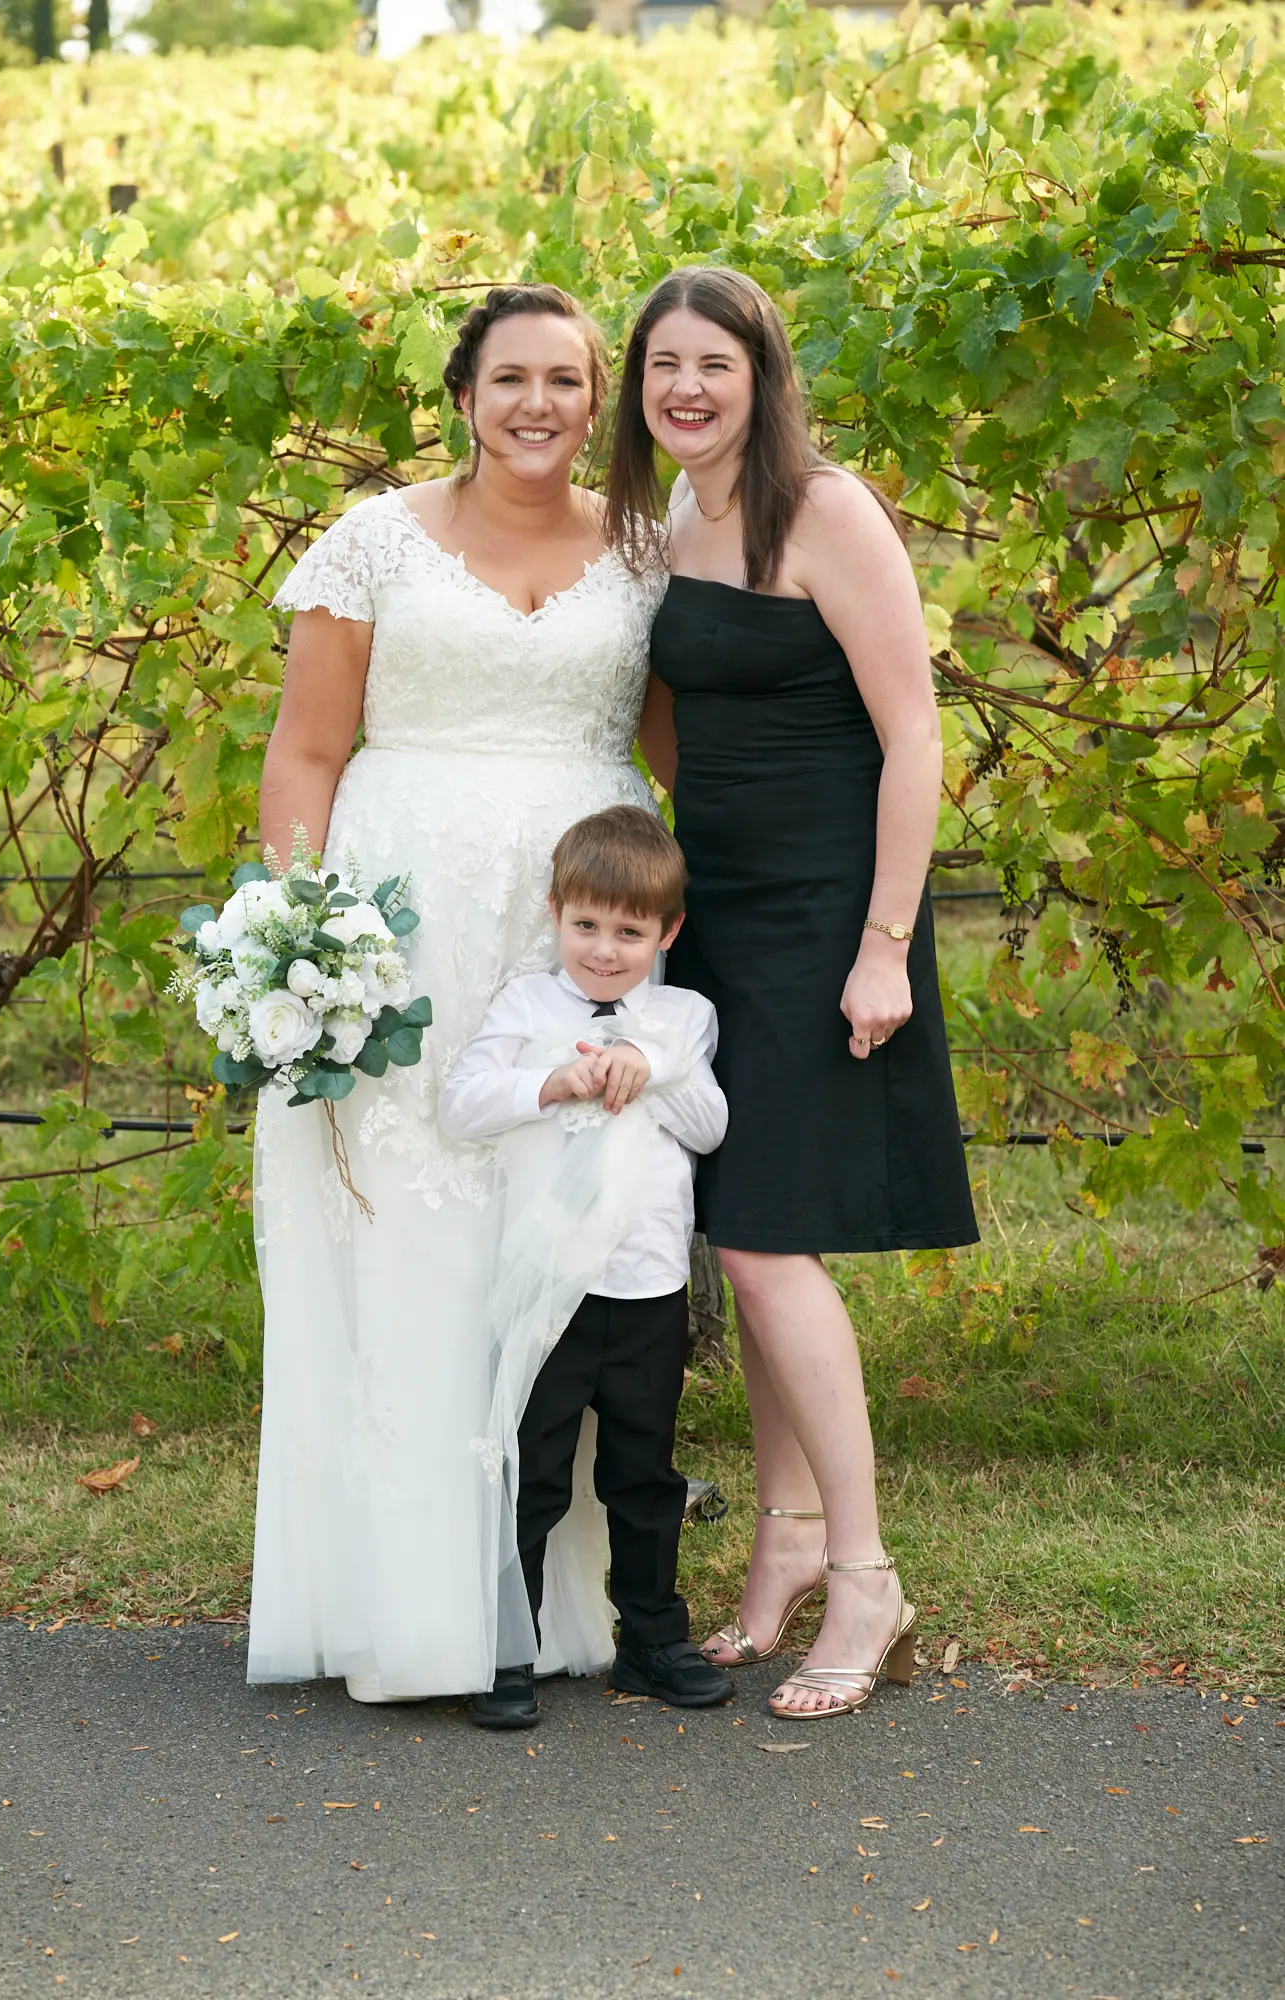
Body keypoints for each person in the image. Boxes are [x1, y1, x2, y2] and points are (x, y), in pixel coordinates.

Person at [247, 286, 667, 1702]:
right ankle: (409, 1605)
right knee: (413, 1241)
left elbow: (681, 745)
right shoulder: (373, 543)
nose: (537, 404)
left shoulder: (647, 549)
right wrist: (307, 938)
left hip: (579, 927)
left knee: (564, 1232)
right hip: (405, 926)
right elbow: (306, 756)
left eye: (565, 379)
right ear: (464, 392)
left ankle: (555, 1602)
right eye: (510, 379)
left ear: (594, 396)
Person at [607, 266, 979, 1721]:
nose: (684, 387)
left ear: (762, 377)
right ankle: (787, 1552)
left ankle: (870, 1577)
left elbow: (915, 736)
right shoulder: (665, 528)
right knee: (745, 1234)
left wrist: (883, 941)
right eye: (660, 367)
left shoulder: (829, 510)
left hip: (832, 916)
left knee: (768, 1251)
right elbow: (668, 735)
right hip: (715, 913)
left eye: (713, 362)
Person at [437, 807, 732, 1727]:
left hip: (646, 1286)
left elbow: (711, 1126)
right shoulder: (528, 1007)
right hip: (549, 1288)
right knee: (535, 1468)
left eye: (630, 932)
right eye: (586, 926)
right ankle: (505, 1651)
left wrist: (651, 1070)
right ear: (555, 913)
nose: (605, 951)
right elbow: (461, 1106)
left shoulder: (682, 1018)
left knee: (642, 1474)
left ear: (666, 933)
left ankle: (651, 1640)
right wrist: (549, 1083)